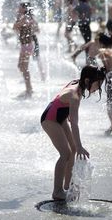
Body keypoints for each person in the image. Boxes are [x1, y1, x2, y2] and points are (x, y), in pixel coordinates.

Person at [40, 65, 103, 200]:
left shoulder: (77, 82)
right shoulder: (75, 95)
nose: (98, 88)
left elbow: (63, 98)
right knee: (66, 153)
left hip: (60, 117)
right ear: (87, 81)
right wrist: (80, 146)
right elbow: (74, 123)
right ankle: (57, 191)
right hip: (50, 120)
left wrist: (77, 146)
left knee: (72, 149)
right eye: (98, 84)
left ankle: (67, 187)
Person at [13, 2, 39, 98]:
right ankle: (29, 88)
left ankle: (29, 89)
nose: (18, 9)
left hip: (27, 45)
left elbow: (15, 27)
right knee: (21, 66)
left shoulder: (25, 17)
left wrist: (21, 23)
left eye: (19, 7)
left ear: (24, 9)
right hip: (25, 45)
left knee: (24, 67)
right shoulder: (25, 17)